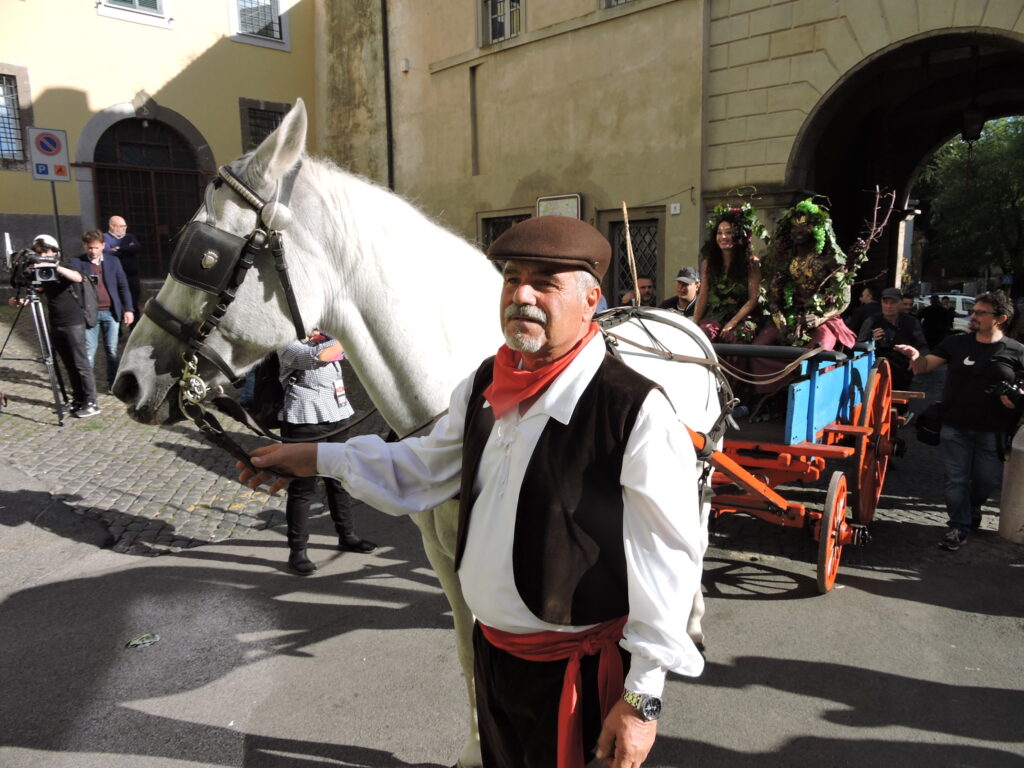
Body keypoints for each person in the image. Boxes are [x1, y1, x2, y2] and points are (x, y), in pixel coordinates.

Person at [238, 216, 704, 768]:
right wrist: (314, 456)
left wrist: (642, 697)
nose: (522, 295)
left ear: (590, 300)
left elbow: (669, 558)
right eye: (512, 278)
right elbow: (421, 467)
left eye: (546, 282)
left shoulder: (634, 411)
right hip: (494, 658)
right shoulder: (486, 383)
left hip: (574, 676)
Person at [894, 291, 1024, 550]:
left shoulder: (1017, 350)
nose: (972, 316)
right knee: (956, 478)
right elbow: (926, 365)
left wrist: (1017, 396)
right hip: (955, 424)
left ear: (1001, 318)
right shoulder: (957, 343)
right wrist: (914, 357)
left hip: (994, 427)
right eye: (973, 311)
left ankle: (973, 506)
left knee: (986, 480)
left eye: (979, 313)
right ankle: (958, 526)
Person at [277, 331, 378, 575]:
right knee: (303, 489)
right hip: (304, 419)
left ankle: (347, 535)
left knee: (339, 481)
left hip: (337, 415)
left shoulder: (326, 336)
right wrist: (344, 331)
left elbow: (346, 351)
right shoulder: (285, 341)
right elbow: (318, 356)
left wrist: (330, 333)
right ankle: (297, 551)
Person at [7, 235, 100, 417]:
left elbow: (78, 278)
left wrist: (55, 266)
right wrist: (20, 301)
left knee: (81, 364)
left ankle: (92, 402)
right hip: (55, 322)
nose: (42, 256)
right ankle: (78, 399)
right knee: (69, 365)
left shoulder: (66, 265)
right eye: (39, 253)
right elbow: (38, 292)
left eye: (45, 252)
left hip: (73, 322)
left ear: (55, 252)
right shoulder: (41, 273)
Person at [757, 199, 859, 350]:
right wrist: (782, 324)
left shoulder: (832, 261)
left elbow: (843, 299)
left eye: (805, 225)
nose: (798, 230)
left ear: (818, 228)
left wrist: (819, 318)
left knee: (818, 350)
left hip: (823, 320)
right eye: (794, 226)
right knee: (758, 347)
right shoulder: (784, 261)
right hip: (788, 319)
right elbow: (773, 299)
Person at [71, 230, 134, 389]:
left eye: (96, 248)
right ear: (85, 246)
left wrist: (128, 309)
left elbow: (123, 286)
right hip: (90, 313)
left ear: (103, 246)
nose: (93, 251)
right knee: (89, 352)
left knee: (112, 351)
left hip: (111, 313)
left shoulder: (113, 261)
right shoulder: (78, 263)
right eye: (90, 248)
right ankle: (87, 388)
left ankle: (113, 384)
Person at [693, 203, 764, 342]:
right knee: (704, 332)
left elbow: (753, 298)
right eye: (719, 233)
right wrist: (694, 322)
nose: (723, 237)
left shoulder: (752, 262)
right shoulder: (708, 263)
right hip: (715, 315)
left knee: (735, 336)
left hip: (742, 316)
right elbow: (703, 296)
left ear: (739, 235)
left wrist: (732, 322)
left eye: (729, 232)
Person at [857, 287, 928, 391]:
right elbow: (859, 346)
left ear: (900, 303)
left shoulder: (911, 322)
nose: (888, 306)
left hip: (902, 373)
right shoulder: (871, 321)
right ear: (881, 303)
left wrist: (916, 357)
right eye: (885, 302)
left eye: (893, 303)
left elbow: (923, 347)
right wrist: (871, 339)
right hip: (876, 372)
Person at [102, 216, 143, 325]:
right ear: (112, 226)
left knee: (133, 305)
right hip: (114, 278)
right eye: (121, 226)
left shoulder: (129, 237)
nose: (125, 228)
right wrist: (127, 249)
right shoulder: (104, 238)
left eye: (125, 226)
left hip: (131, 276)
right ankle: (117, 333)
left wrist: (119, 248)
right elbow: (107, 253)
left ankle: (135, 331)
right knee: (116, 305)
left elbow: (137, 248)